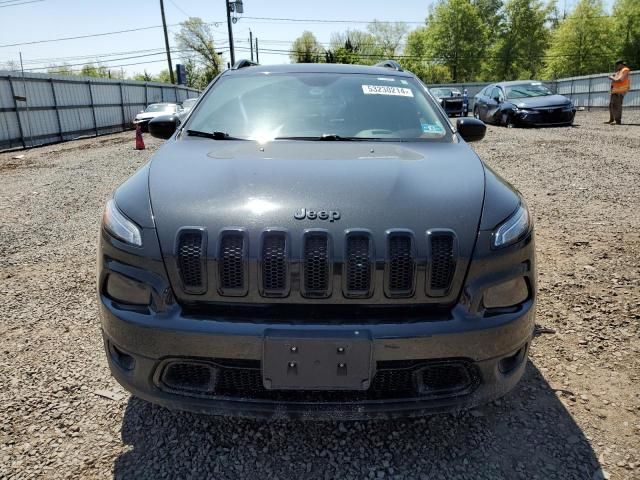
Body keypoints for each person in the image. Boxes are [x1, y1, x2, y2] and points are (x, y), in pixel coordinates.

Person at [606, 59, 631, 125]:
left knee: (617, 105)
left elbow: (620, 80)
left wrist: (611, 77)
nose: (616, 67)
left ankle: (617, 120)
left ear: (620, 64)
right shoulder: (619, 71)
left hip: (620, 90)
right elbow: (616, 80)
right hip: (616, 90)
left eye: (617, 65)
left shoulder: (625, 70)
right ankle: (612, 119)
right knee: (611, 105)